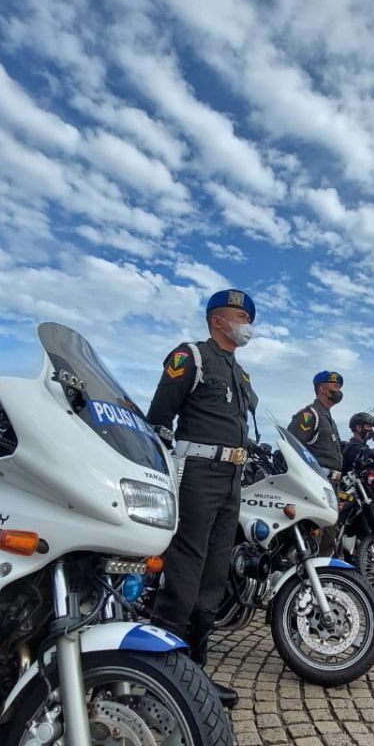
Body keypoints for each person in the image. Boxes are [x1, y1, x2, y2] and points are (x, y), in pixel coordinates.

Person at [146, 288, 259, 708]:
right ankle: (163, 673)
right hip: (196, 473)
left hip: (232, 477)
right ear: (218, 321)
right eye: (240, 317)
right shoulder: (190, 357)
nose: (247, 326)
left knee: (214, 573)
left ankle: (194, 672)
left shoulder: (238, 373)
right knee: (186, 568)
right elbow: (158, 417)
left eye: (249, 319)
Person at [289, 371, 345, 473]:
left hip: (331, 482)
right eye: (335, 386)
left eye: (339, 388)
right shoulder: (309, 415)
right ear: (322, 389)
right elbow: (293, 447)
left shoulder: (330, 421)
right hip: (315, 480)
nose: (339, 391)